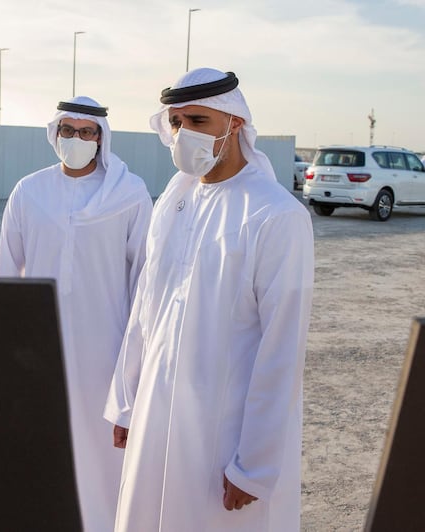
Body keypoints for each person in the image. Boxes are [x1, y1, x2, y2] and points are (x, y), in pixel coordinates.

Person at [104, 68, 314, 531]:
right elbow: (145, 308)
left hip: (221, 433)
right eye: (176, 123)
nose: (183, 134)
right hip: (156, 416)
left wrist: (253, 467)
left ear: (234, 123)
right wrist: (125, 401)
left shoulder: (276, 214)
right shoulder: (173, 201)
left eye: (197, 121)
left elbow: (282, 349)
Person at [0, 96, 153, 531]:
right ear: (55, 134)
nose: (77, 139)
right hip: (38, 350)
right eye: (69, 131)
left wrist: (136, 365)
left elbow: (145, 280)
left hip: (106, 350)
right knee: (42, 450)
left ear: (101, 138)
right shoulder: (29, 191)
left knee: (103, 458)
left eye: (87, 132)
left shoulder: (129, 193)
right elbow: (7, 274)